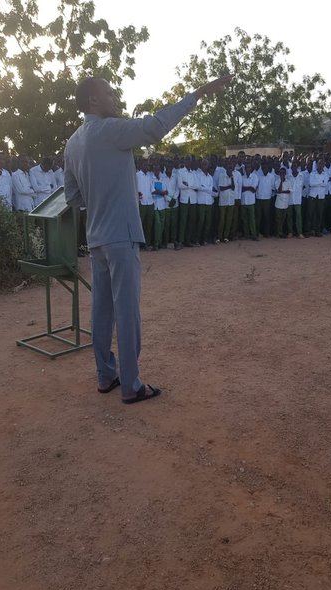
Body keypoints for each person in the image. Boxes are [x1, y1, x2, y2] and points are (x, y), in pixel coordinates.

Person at [64, 74, 232, 404]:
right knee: (126, 312)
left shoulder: (73, 142)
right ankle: (131, 386)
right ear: (93, 101)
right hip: (121, 235)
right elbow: (156, 126)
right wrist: (197, 93)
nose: (114, 96)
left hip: (96, 238)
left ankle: (105, 376)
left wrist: (99, 201)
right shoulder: (110, 130)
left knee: (101, 312)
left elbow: (72, 197)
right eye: (109, 91)